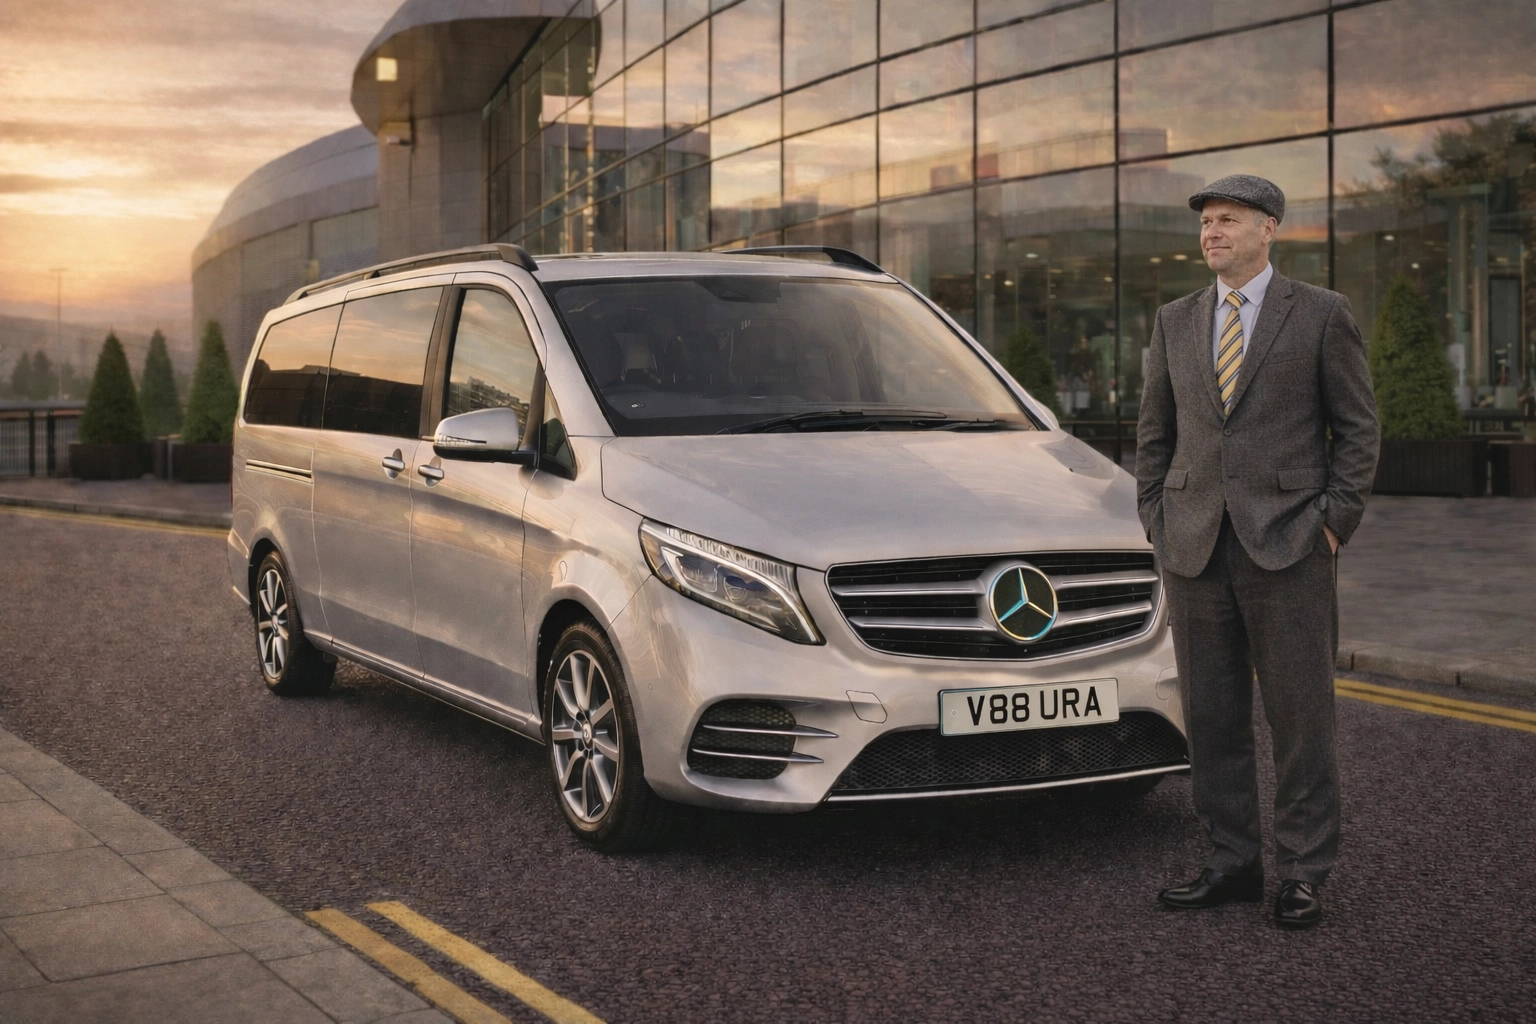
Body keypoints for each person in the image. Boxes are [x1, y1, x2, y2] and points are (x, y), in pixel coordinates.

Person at [1135, 174, 1380, 929]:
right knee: (1211, 719)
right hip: (1195, 545)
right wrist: (1158, 521)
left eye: (1228, 219)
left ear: (1269, 228)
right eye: (1206, 221)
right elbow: (1155, 436)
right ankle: (1232, 862)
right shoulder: (1175, 320)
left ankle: (1304, 871)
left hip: (1290, 547)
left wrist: (1332, 524)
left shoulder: (1322, 315)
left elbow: (1359, 430)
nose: (1212, 232)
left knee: (1302, 720)